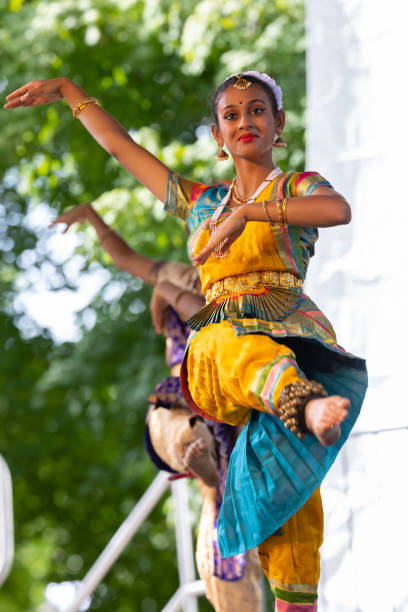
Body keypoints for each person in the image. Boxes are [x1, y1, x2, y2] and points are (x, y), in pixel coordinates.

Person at [6, 70, 368, 610]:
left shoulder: (298, 187)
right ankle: (300, 400)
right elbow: (121, 146)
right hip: (220, 356)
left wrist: (249, 212)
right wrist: (68, 91)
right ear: (219, 136)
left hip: (295, 335)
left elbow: (338, 210)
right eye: (231, 114)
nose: (245, 120)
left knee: (294, 516)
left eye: (257, 110)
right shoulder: (198, 202)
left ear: (279, 124)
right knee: (230, 341)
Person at [50, 202, 263, 611]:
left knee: (222, 548)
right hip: (184, 401)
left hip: (222, 395)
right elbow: (126, 258)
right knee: (171, 419)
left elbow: (198, 317)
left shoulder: (237, 290)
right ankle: (195, 453)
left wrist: (168, 293)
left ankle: (206, 462)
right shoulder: (181, 272)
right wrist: (91, 216)